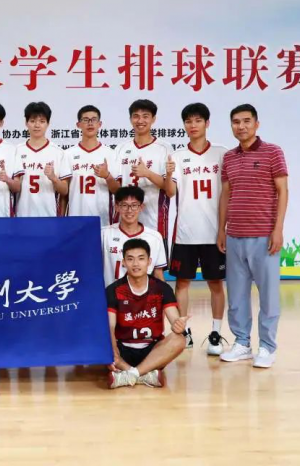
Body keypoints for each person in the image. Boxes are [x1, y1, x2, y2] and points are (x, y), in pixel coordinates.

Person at [218, 104, 288, 369]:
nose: (241, 126)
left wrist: (278, 229)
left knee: (268, 296)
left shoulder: (273, 152)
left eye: (247, 121)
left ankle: (267, 347)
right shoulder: (229, 157)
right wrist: (221, 229)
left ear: (257, 124)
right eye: (236, 122)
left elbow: (283, 191)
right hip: (234, 236)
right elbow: (226, 194)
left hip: (264, 236)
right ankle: (242, 343)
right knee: (236, 296)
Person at [164, 103, 228, 352]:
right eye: (188, 121)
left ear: (207, 123)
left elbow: (228, 193)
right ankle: (184, 332)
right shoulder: (178, 156)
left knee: (216, 284)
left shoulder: (222, 154)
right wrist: (168, 174)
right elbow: (170, 192)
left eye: (198, 120)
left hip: (214, 233)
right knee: (182, 283)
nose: (193, 125)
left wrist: (223, 229)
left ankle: (216, 333)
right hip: (185, 233)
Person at [106, 239, 188, 389]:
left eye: (141, 258)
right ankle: (146, 375)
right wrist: (113, 350)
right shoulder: (113, 290)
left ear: (149, 261)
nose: (136, 264)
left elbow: (175, 320)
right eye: (130, 259)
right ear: (123, 262)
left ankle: (130, 375)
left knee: (180, 340)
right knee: (103, 342)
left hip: (153, 351)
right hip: (122, 350)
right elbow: (110, 326)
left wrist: (178, 326)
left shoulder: (162, 288)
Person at [115, 99, 174, 243]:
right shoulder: (120, 148)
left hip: (155, 220)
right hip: (125, 221)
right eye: (136, 116)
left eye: (145, 116)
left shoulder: (164, 148)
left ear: (153, 119)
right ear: (130, 119)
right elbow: (116, 187)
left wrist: (147, 173)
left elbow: (169, 189)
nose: (140, 120)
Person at [59, 105, 119, 224]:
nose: (90, 123)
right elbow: (64, 194)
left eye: (94, 120)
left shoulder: (110, 154)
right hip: (75, 220)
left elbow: (117, 191)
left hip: (102, 221)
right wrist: (61, 222)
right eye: (85, 120)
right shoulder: (68, 154)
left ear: (100, 124)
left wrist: (107, 176)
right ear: (78, 125)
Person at [101, 186, 167, 286]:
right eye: (124, 205)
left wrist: (165, 294)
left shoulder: (155, 237)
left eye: (134, 205)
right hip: (110, 293)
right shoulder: (104, 234)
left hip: (143, 294)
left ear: (141, 207)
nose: (129, 210)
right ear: (117, 207)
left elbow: (158, 274)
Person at [14, 102, 67, 217]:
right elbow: (13, 187)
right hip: (22, 216)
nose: (37, 125)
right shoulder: (16, 151)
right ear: (26, 123)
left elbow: (65, 190)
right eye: (32, 121)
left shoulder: (58, 152)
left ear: (48, 123)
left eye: (42, 121)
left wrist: (53, 178)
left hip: (49, 216)